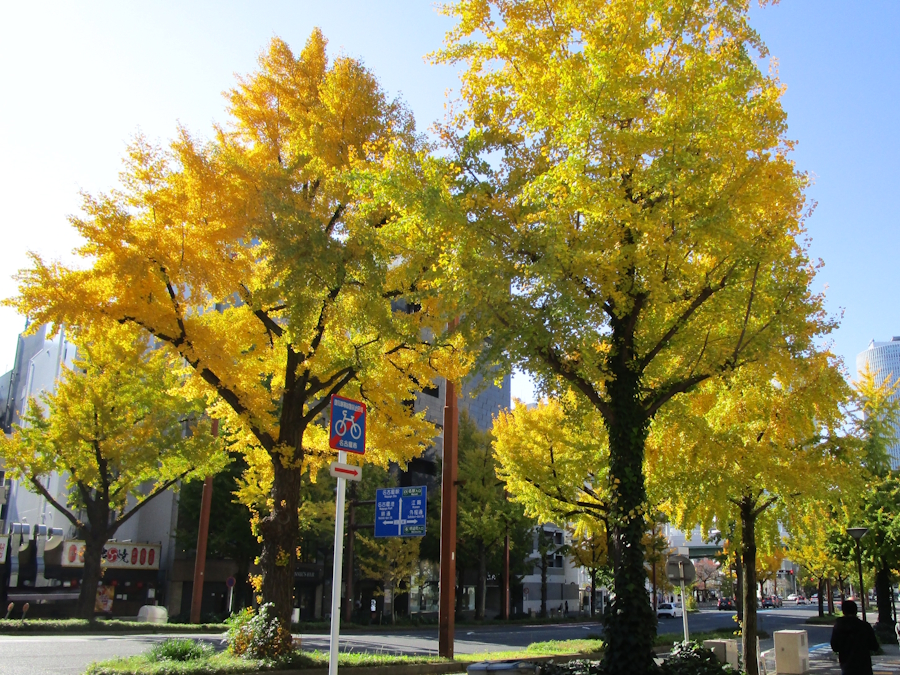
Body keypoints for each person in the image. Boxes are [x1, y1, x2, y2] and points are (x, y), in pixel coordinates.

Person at [831, 600, 879, 675]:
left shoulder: (838, 627)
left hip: (846, 665)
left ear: (843, 612)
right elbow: (874, 646)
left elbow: (835, 647)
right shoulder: (865, 626)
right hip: (864, 666)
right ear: (856, 611)